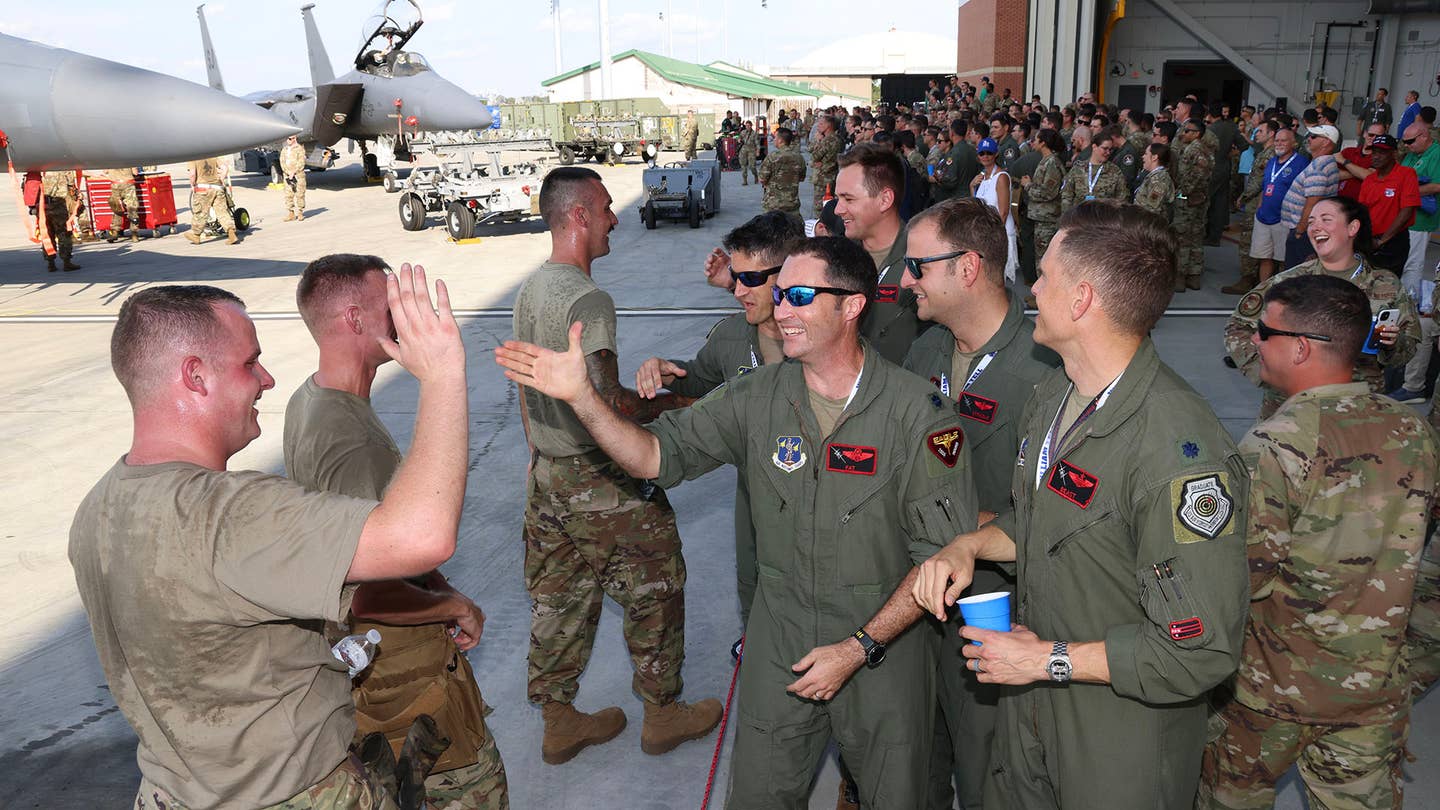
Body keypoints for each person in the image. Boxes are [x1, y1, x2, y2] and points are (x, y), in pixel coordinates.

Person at [496, 236, 978, 809]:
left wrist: (855, 649)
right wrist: (584, 400)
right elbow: (653, 456)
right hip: (782, 645)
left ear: (851, 305)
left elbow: (940, 562)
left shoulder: (917, 415)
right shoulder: (755, 399)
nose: (781, 309)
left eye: (799, 295)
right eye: (779, 295)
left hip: (884, 653)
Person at [70, 267, 468, 810]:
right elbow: (422, 535)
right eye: (248, 362)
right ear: (194, 375)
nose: (266, 379)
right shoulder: (231, 514)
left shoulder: (98, 507)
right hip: (290, 793)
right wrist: (443, 374)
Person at [913, 200, 1250, 810]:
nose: (1030, 286)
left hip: (1119, 738)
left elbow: (1198, 652)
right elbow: (1042, 522)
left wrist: (1047, 661)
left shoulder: (1177, 453)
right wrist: (970, 544)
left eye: (1043, 275)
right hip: (1032, 707)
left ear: (1082, 299)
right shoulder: (1057, 395)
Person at [1198, 274, 1440, 810]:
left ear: (1301, 347)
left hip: (1270, 692)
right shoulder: (1412, 428)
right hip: (1371, 690)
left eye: (1265, 331)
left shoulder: (1277, 442)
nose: (1255, 340)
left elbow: (1242, 573)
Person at [511, 167, 721, 765]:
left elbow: (527, 387)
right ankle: (662, 713)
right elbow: (607, 403)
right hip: (598, 475)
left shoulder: (531, 289)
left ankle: (558, 722)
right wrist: (684, 404)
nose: (613, 218)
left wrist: (536, 458)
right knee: (657, 583)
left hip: (549, 474)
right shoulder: (586, 299)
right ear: (577, 216)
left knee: (559, 598)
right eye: (604, 207)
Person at [284, 254, 507, 808]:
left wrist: (441, 591)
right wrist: (454, 607)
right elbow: (366, 588)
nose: (407, 318)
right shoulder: (349, 439)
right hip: (405, 682)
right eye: (393, 306)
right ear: (355, 319)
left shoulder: (313, 400)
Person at [899, 198, 1060, 810]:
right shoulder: (927, 352)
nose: (906, 279)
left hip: (1006, 604)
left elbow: (1064, 511)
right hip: (925, 593)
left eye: (918, 266)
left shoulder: (1048, 366)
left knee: (992, 761)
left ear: (966, 267)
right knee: (925, 751)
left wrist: (967, 525)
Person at [635, 212, 804, 632]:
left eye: (748, 280)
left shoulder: (826, 340)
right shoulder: (731, 337)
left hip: (824, 508)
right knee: (757, 605)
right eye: (735, 278)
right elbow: (700, 374)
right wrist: (664, 366)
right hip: (756, 503)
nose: (736, 290)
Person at [1226, 195, 1420, 418]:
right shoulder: (1290, 282)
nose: (1315, 227)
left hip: (1357, 411)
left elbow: (1408, 346)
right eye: (1310, 222)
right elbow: (1238, 326)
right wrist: (1267, 373)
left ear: (1352, 227)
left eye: (1326, 219)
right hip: (1292, 408)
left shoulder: (1385, 284)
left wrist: (1391, 345)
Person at [835, 143, 928, 364]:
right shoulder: (837, 258)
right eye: (838, 199)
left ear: (885, 200)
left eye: (848, 199)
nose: (838, 210)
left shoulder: (926, 261)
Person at [1385, 122, 1440, 402]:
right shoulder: (1409, 155)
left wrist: (1411, 191)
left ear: (1423, 136)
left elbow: (1438, 184)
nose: (1405, 146)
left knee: (1414, 270)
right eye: (1403, 142)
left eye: (1409, 141)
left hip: (1421, 222)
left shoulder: (1436, 154)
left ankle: (1409, 307)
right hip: (1407, 219)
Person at [1222, 120, 1277, 294]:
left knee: (1248, 241)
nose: (1256, 134)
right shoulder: (1264, 152)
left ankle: (1248, 278)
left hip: (1256, 203)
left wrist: (1244, 197)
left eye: (1260, 131)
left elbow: (1259, 182)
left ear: (1271, 134)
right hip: (1255, 201)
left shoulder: (1269, 154)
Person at [1279, 124, 1341, 268]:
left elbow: (1313, 202)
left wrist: (1300, 229)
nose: (1309, 139)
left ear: (1326, 142)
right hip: (1310, 228)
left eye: (1313, 137)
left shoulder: (1318, 168)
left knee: (1296, 271)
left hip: (1305, 230)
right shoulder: (1324, 163)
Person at [1358, 134, 1422, 275]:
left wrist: (1382, 241)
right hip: (1369, 240)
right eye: (1374, 152)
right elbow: (1361, 211)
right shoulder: (1369, 179)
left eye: (1382, 153)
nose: (1376, 156)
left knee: (1387, 285)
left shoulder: (1407, 174)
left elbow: (1407, 210)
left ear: (1393, 154)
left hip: (1393, 241)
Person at [1249, 128, 1306, 282]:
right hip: (1263, 217)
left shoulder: (1301, 162)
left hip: (1284, 219)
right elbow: (1266, 185)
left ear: (1293, 143)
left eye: (1284, 140)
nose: (1279, 143)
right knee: (1264, 258)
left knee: (1284, 260)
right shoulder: (1272, 161)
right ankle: (1263, 291)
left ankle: (1282, 293)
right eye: (1277, 140)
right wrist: (1260, 206)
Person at [1173, 119, 1215, 291]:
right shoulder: (1205, 149)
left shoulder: (1195, 149)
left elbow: (1196, 174)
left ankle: (1181, 277)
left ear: (1197, 133)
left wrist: (1183, 191)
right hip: (1200, 198)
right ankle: (1194, 275)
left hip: (1188, 199)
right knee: (1196, 236)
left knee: (1183, 236)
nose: (1184, 133)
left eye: (1188, 131)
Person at [971, 137, 1019, 283]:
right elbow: (977, 205)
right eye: (982, 153)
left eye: (989, 153)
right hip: (986, 231)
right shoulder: (982, 177)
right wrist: (972, 187)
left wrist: (995, 235)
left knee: (999, 279)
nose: (985, 156)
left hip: (999, 232)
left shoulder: (1001, 177)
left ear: (996, 154)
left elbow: (1003, 211)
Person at [1021, 129, 1065, 265]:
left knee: (1044, 260)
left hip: (1048, 220)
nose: (1032, 142)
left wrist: (1028, 185)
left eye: (1035, 139)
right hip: (1042, 217)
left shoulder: (1051, 163)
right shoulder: (1046, 161)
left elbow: (1048, 193)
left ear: (1043, 143)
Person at [1059, 128, 1126, 211]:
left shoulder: (1115, 171)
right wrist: (1067, 218)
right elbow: (1067, 195)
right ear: (1094, 147)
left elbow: (1121, 199)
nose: (1108, 152)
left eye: (1110, 149)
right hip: (1079, 218)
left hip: (1103, 220)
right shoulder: (1078, 169)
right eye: (1105, 149)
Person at [1205, 102, 1239, 244]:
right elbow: (1242, 145)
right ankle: (1215, 237)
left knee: (1206, 202)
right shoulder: (1231, 127)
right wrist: (1228, 154)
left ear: (1210, 115)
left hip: (1210, 169)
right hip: (1225, 167)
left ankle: (1205, 234)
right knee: (1220, 204)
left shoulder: (1209, 130)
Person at [37, 170, 81, 272]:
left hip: (43, 207)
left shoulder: (40, 168)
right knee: (63, 234)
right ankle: (66, 262)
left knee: (47, 235)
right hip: (59, 206)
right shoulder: (64, 168)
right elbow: (72, 188)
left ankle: (50, 263)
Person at [188, 155, 238, 245]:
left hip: (202, 189)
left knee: (201, 213)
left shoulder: (193, 157)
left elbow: (192, 175)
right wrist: (221, 179)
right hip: (217, 187)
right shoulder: (213, 155)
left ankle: (196, 236)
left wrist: (193, 185)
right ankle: (231, 234)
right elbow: (225, 168)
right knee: (222, 212)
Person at [759, 127, 806, 215]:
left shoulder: (773, 156)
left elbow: (762, 178)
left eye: (775, 138)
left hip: (773, 204)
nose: (774, 140)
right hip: (792, 203)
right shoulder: (799, 157)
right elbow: (802, 178)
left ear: (780, 140)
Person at [1132, 142, 1176, 224]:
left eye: (1146, 154)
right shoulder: (1154, 176)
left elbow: (1152, 209)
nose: (1143, 157)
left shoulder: (1159, 180)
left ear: (1154, 157)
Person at [810, 115, 842, 214]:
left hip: (823, 178)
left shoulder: (828, 140)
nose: (818, 126)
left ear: (828, 126)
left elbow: (815, 156)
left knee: (820, 207)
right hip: (829, 176)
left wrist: (818, 141)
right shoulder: (836, 138)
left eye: (821, 123)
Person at [103, 166, 142, 243]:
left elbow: (105, 171)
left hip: (115, 184)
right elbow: (135, 173)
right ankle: (134, 234)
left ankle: (115, 231)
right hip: (128, 184)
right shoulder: (128, 157)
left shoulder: (108, 158)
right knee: (132, 208)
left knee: (117, 208)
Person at [280, 134, 308, 221]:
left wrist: (294, 172)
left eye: (289, 139)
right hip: (287, 176)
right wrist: (287, 172)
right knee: (288, 195)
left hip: (298, 176)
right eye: (287, 139)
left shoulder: (300, 149)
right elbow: (282, 161)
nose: (287, 141)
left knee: (300, 194)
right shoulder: (284, 150)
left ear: (294, 139)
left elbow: (301, 162)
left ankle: (300, 213)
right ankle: (291, 213)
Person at [737, 121, 759, 186]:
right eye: (746, 126)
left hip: (752, 150)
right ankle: (745, 181)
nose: (747, 127)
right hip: (744, 150)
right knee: (743, 165)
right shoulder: (743, 132)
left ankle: (755, 175)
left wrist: (758, 151)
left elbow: (757, 143)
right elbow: (739, 137)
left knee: (752, 166)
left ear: (751, 126)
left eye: (749, 125)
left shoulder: (754, 134)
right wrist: (738, 139)